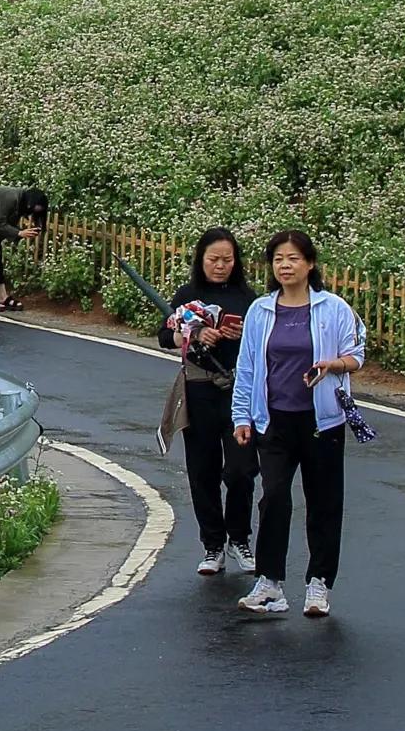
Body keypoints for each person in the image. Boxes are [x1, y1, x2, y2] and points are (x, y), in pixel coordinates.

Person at [230, 229, 366, 619]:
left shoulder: (334, 308)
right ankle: (270, 583)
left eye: (292, 258)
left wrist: (333, 365)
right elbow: (248, 367)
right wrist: (242, 416)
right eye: (278, 259)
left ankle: (319, 584)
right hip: (273, 420)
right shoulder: (261, 310)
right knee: (273, 496)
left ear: (309, 264)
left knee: (323, 502)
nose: (285, 265)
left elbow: (356, 353)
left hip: (322, 421)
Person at [157, 227, 256, 575]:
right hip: (198, 391)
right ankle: (213, 544)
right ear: (201, 259)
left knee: (242, 470)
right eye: (214, 259)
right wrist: (195, 333)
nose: (220, 266)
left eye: (227, 260)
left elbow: (263, 340)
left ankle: (239, 537)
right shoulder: (188, 294)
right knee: (203, 471)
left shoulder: (247, 296)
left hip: (238, 391)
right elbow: (164, 335)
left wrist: (243, 333)